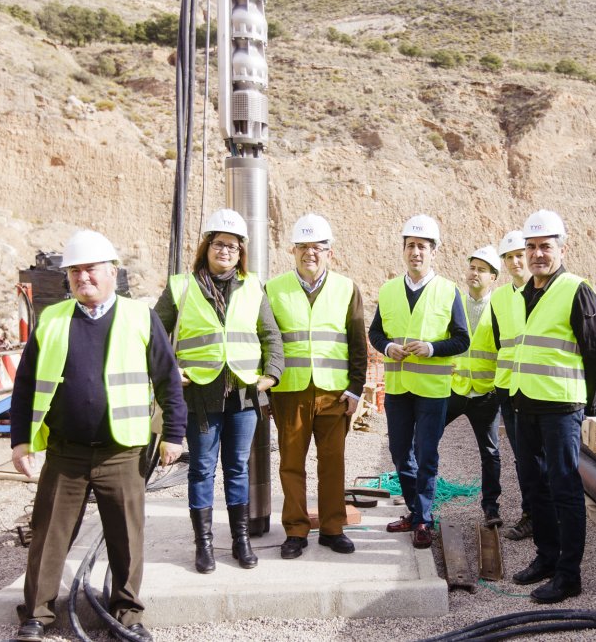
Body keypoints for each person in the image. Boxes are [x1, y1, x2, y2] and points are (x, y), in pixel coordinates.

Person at [10, 230, 187, 642]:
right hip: (65, 452)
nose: (82, 277)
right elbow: (25, 385)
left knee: (126, 536)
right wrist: (21, 440)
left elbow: (167, 382)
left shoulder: (140, 316)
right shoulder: (52, 320)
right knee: (49, 534)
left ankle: (126, 613)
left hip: (121, 451)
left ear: (112, 272)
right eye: (74, 271)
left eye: (90, 269)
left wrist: (173, 434)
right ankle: (36, 614)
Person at [154, 209, 283, 572]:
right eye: (218, 243)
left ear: (241, 251)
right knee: (201, 470)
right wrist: (168, 369)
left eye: (232, 245)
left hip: (243, 393)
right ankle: (204, 546)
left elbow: (270, 335)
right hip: (200, 394)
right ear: (206, 246)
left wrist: (271, 376)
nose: (225, 250)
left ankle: (240, 542)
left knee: (238, 469)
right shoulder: (181, 286)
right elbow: (152, 335)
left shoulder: (254, 286)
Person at [507, 210, 596, 605]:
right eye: (530, 247)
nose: (536, 254)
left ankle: (569, 576)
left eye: (544, 247)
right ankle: (546, 559)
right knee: (535, 487)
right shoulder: (521, 295)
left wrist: (591, 404)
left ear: (561, 248)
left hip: (561, 405)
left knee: (564, 488)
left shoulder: (576, 289)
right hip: (525, 402)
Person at [266, 213, 368, 559]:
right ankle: (295, 530)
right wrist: (265, 388)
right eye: (304, 247)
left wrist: (357, 389)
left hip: (333, 393)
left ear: (330, 252)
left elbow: (357, 343)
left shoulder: (346, 288)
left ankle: (332, 528)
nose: (311, 253)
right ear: (292, 251)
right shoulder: (274, 289)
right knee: (291, 464)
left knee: (332, 462)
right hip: (289, 391)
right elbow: (266, 341)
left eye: (318, 247)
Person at [368, 214, 470, 549]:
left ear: (433, 252)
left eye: (422, 246)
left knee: (426, 454)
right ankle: (414, 511)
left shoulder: (447, 291)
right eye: (411, 245)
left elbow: (461, 340)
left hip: (432, 390)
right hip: (398, 389)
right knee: (399, 452)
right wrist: (387, 346)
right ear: (403, 250)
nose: (416, 252)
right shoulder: (388, 290)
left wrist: (431, 348)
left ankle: (424, 519)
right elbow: (375, 333)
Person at [447, 245, 504, 529]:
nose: (475, 274)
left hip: (485, 392)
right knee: (425, 439)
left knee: (490, 452)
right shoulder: (453, 302)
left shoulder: (499, 308)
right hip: (455, 389)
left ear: (493, 277)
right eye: (472, 267)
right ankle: (420, 504)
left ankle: (491, 507)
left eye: (482, 270)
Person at [492, 230, 537, 541]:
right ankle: (531, 514)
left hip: (539, 388)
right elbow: (500, 342)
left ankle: (548, 515)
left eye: (519, 254)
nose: (515, 261)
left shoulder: (544, 293)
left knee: (543, 457)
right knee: (523, 456)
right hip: (509, 389)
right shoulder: (499, 298)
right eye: (509, 257)